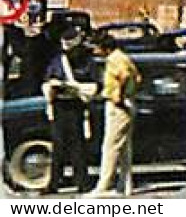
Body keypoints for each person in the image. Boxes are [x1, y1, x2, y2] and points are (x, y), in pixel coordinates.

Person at [43, 28, 96, 194]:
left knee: (77, 146)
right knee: (58, 146)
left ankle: (82, 182)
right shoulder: (58, 60)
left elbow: (91, 81)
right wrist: (53, 84)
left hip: (76, 105)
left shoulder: (85, 60)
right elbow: (48, 77)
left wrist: (75, 86)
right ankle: (54, 183)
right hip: (59, 105)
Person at [89, 41, 141, 197]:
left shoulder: (113, 59)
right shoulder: (124, 57)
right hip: (128, 102)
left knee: (110, 146)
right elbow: (137, 77)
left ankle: (104, 185)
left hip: (117, 105)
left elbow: (124, 75)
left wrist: (119, 94)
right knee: (124, 147)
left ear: (106, 47)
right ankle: (125, 184)